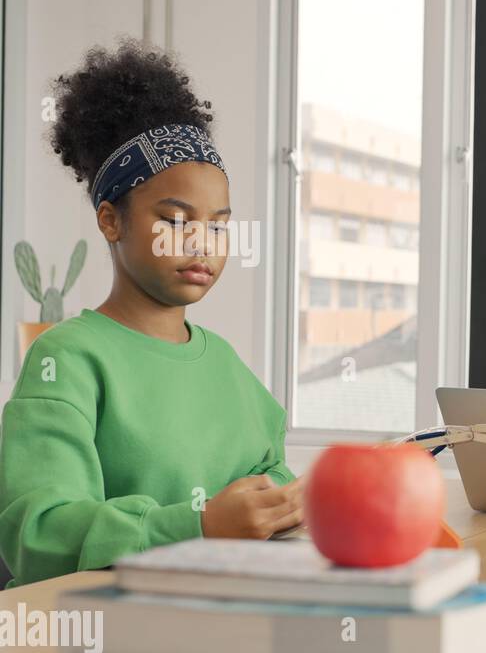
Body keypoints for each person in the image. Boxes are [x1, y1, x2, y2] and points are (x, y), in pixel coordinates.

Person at [0, 40, 303, 588]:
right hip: (91, 647)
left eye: (218, 225)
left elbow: (269, 469)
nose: (202, 244)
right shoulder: (66, 360)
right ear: (112, 221)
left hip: (211, 628)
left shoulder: (226, 363)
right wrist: (199, 525)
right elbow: (39, 536)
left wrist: (279, 502)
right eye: (175, 219)